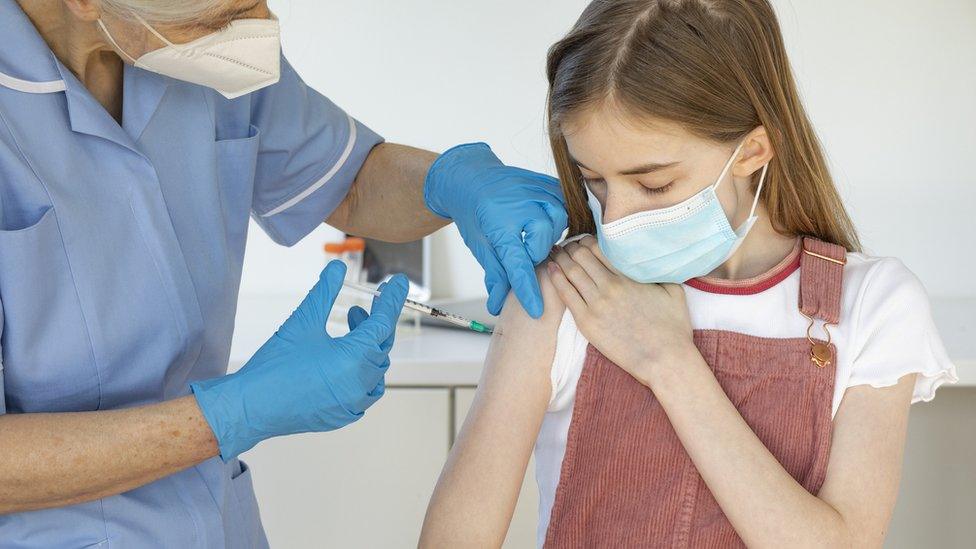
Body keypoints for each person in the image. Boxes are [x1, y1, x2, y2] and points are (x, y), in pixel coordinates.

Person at [0, 0, 567, 546]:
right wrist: (230, 413)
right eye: (222, 14)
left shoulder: (188, 49)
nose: (261, 26)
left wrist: (452, 183)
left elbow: (351, 180)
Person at [420, 1, 958, 547]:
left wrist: (670, 363)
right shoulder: (568, 289)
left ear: (753, 148)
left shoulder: (871, 304)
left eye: (653, 185)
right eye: (596, 182)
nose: (617, 219)